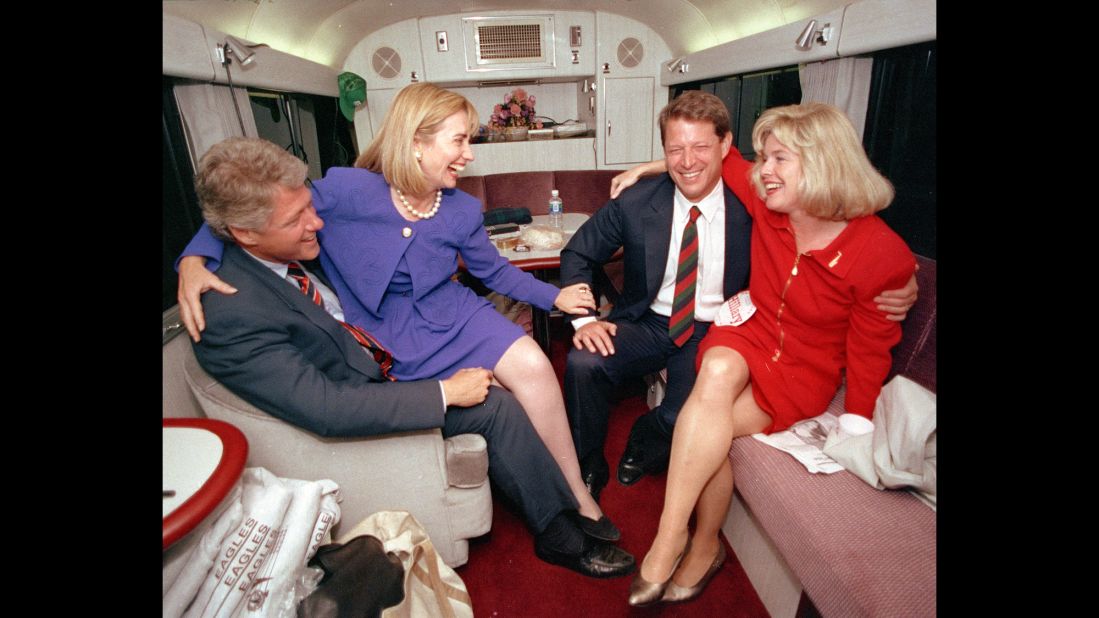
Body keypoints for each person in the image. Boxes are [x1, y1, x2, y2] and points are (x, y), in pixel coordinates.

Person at [182, 136, 635, 578]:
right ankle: (558, 533)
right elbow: (327, 407)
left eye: (309, 207)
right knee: (494, 403)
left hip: (384, 360)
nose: (316, 222)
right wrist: (444, 393)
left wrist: (192, 253)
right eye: (296, 217)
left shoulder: (285, 246)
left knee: (503, 396)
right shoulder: (230, 313)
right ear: (244, 233)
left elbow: (238, 220)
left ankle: (564, 506)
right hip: (370, 391)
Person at [623, 102, 916, 605]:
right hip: (748, 332)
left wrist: (857, 421)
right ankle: (671, 537)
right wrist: (648, 167)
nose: (764, 171)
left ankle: (705, 544)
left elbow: (871, 349)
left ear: (822, 162)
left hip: (805, 367)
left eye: (779, 159)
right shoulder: (767, 199)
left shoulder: (880, 253)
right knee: (713, 368)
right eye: (764, 159)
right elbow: (713, 159)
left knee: (704, 428)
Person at [558, 91, 916, 501]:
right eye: (675, 150)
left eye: (700, 148)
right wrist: (584, 319)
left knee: (682, 417)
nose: (687, 160)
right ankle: (586, 464)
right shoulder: (636, 202)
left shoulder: (757, 202)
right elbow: (578, 254)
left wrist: (904, 275)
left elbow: (844, 217)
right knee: (583, 361)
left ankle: (647, 433)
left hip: (718, 327)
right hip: (647, 321)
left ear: (726, 146)